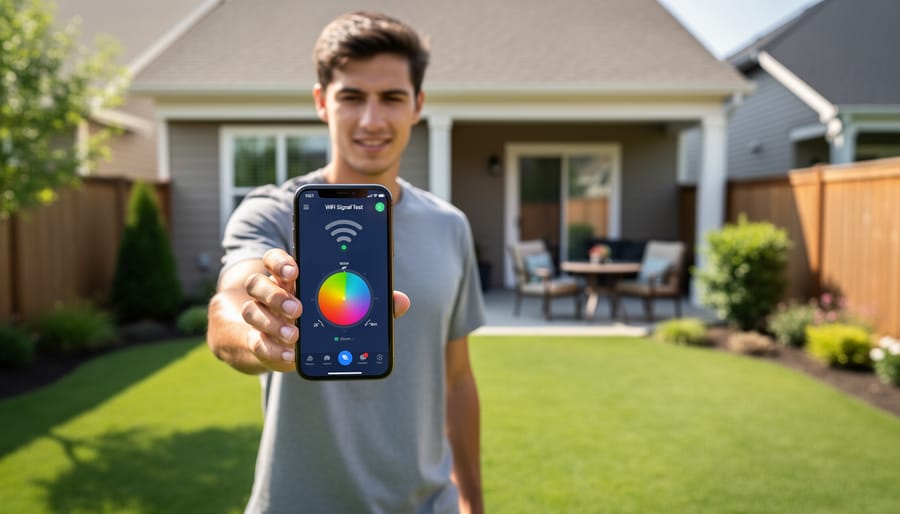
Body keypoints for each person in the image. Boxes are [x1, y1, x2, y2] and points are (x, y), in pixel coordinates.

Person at [206, 11, 486, 514]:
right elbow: (228, 304)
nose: (371, 120)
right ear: (322, 103)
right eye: (352, 97)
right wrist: (260, 336)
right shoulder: (272, 213)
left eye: (392, 98)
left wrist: (472, 501)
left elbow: (458, 379)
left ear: (418, 105)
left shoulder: (451, 226)